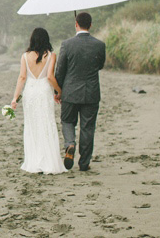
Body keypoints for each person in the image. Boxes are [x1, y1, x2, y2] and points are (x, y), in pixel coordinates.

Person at [55, 12, 106, 172]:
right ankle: (84, 163)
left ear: (76, 24)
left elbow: (60, 70)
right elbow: (100, 65)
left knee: (67, 121)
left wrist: (58, 91)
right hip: (91, 92)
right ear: (90, 25)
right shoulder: (99, 45)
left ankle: (70, 144)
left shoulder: (67, 44)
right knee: (88, 127)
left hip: (70, 92)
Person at [11, 27, 67, 174]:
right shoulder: (51, 55)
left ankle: (34, 162)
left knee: (32, 125)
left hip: (30, 92)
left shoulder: (24, 56)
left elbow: (22, 77)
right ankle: (48, 161)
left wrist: (15, 98)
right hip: (43, 92)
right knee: (46, 123)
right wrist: (59, 91)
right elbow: (50, 77)